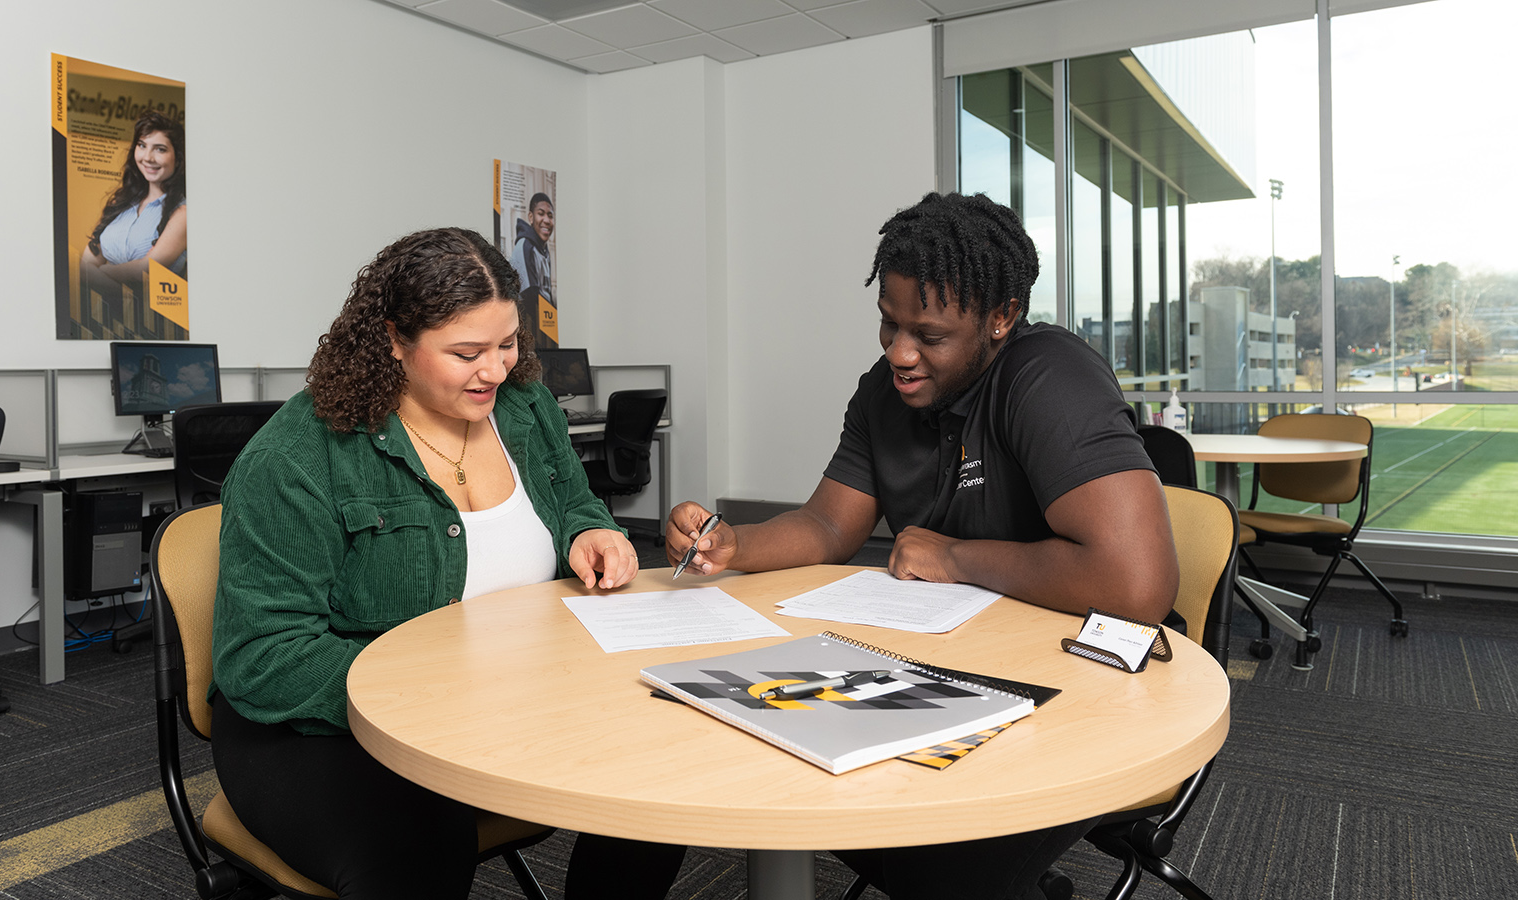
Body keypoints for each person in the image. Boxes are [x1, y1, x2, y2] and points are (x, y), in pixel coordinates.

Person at [664, 192, 1179, 900]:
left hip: (1094, 679)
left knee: (934, 864)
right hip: (959, 665)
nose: (900, 354)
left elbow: (1136, 583)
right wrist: (732, 542)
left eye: (929, 336)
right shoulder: (883, 393)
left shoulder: (1048, 378)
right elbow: (826, 527)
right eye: (888, 326)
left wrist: (955, 557)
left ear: (1000, 319)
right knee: (803, 771)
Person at [211, 227, 686, 899]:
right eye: (467, 353)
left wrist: (591, 533)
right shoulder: (295, 458)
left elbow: (577, 502)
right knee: (416, 846)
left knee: (665, 766)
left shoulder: (525, 407)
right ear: (392, 341)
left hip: (504, 700)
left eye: (508, 344)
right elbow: (263, 659)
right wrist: (444, 696)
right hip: (314, 731)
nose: (495, 370)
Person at [80, 111, 187, 294]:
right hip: (101, 316)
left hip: (149, 319)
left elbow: (145, 271)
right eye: (142, 145)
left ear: (177, 158)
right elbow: (86, 263)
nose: (147, 157)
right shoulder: (121, 202)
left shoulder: (183, 213)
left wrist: (101, 273)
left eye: (160, 149)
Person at [511, 191, 554, 341]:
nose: (546, 220)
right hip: (531, 331)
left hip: (545, 327)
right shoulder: (525, 246)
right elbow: (529, 294)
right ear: (531, 217)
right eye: (541, 214)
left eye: (550, 215)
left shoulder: (543, 249)